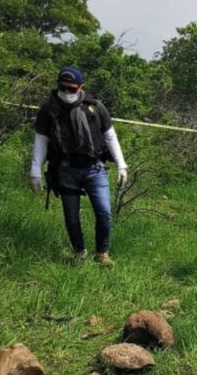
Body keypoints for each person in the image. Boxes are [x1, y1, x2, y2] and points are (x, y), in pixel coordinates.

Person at [29, 66, 128, 267]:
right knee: (71, 216)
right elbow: (41, 140)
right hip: (65, 169)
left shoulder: (96, 107)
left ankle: (102, 253)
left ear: (81, 87)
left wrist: (121, 165)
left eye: (71, 89)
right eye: (62, 88)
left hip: (95, 168)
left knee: (104, 212)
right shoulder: (49, 109)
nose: (66, 93)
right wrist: (35, 170)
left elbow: (110, 137)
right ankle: (79, 252)